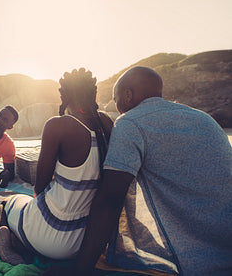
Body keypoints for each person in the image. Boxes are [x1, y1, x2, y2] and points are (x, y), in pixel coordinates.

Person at [45, 66, 232, 276]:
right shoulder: (205, 119)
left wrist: (79, 271)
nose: (118, 106)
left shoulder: (131, 122)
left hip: (198, 261)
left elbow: (109, 200)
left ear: (127, 96)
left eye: (116, 99)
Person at [0, 68, 113, 264]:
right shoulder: (107, 123)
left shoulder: (58, 125)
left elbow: (39, 187)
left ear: (64, 95)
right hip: (91, 239)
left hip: (51, 238)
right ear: (92, 93)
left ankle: (7, 241)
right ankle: (21, 237)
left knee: (8, 202)